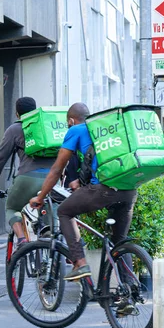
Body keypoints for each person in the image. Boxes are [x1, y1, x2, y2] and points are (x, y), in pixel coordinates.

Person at [29, 102, 138, 283]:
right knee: (119, 241)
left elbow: (57, 169)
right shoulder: (105, 129)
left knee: (64, 211)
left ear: (71, 120)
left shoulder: (76, 130)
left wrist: (40, 197)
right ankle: (129, 291)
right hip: (129, 190)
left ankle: (80, 263)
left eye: (67, 123)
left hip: (103, 189)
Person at [0, 97, 55, 246]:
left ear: (17, 114)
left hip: (28, 178)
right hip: (53, 178)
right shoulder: (47, 127)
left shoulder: (15, 129)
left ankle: (22, 239)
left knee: (12, 207)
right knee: (50, 208)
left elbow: (0, 159)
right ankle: (50, 236)